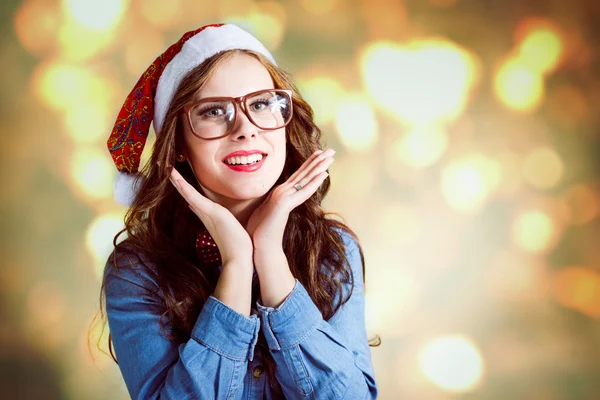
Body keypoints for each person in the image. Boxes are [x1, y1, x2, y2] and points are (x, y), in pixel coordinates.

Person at [99, 23, 378, 399]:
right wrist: (236, 264)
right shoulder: (137, 271)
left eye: (262, 103)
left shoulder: (331, 249)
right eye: (214, 111)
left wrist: (270, 259)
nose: (246, 129)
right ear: (178, 143)